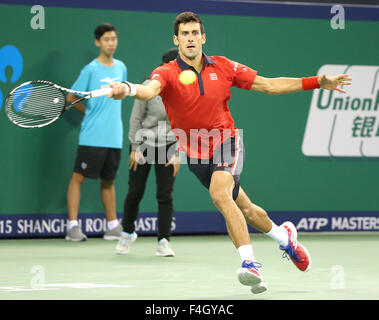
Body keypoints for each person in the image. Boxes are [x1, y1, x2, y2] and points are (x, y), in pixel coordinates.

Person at [108, 12, 352, 293]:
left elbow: (269, 85)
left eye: (195, 33)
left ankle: (249, 264)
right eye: (184, 34)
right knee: (245, 208)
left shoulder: (223, 67)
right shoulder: (166, 73)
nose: (190, 38)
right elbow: (149, 91)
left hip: (226, 141)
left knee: (220, 195)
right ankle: (285, 238)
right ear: (176, 40)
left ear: (203, 38)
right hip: (196, 153)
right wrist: (127, 89)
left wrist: (317, 82)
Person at [65, 23, 127, 242]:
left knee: (109, 180)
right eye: (107, 39)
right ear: (98, 42)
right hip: (92, 135)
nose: (111, 43)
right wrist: (90, 112)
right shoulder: (90, 69)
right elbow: (71, 98)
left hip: (114, 136)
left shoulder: (121, 67)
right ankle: (72, 226)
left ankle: (112, 226)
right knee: (78, 177)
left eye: (114, 38)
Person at [116, 48, 180, 257]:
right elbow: (135, 119)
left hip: (168, 146)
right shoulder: (147, 88)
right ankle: (127, 233)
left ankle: (163, 241)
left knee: (164, 195)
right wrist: (135, 148)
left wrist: (177, 152)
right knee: (135, 192)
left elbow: (185, 123)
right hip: (143, 144)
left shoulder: (185, 90)